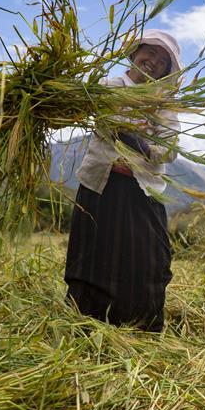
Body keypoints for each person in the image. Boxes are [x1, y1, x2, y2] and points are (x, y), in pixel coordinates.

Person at [64, 29, 182, 332]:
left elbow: (169, 149)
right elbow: (75, 108)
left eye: (162, 60)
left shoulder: (163, 102)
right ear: (134, 52)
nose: (153, 62)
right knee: (94, 251)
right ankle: (87, 320)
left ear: (167, 71)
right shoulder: (106, 87)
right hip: (101, 184)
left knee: (151, 258)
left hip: (141, 190)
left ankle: (139, 324)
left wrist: (138, 142)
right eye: (150, 52)